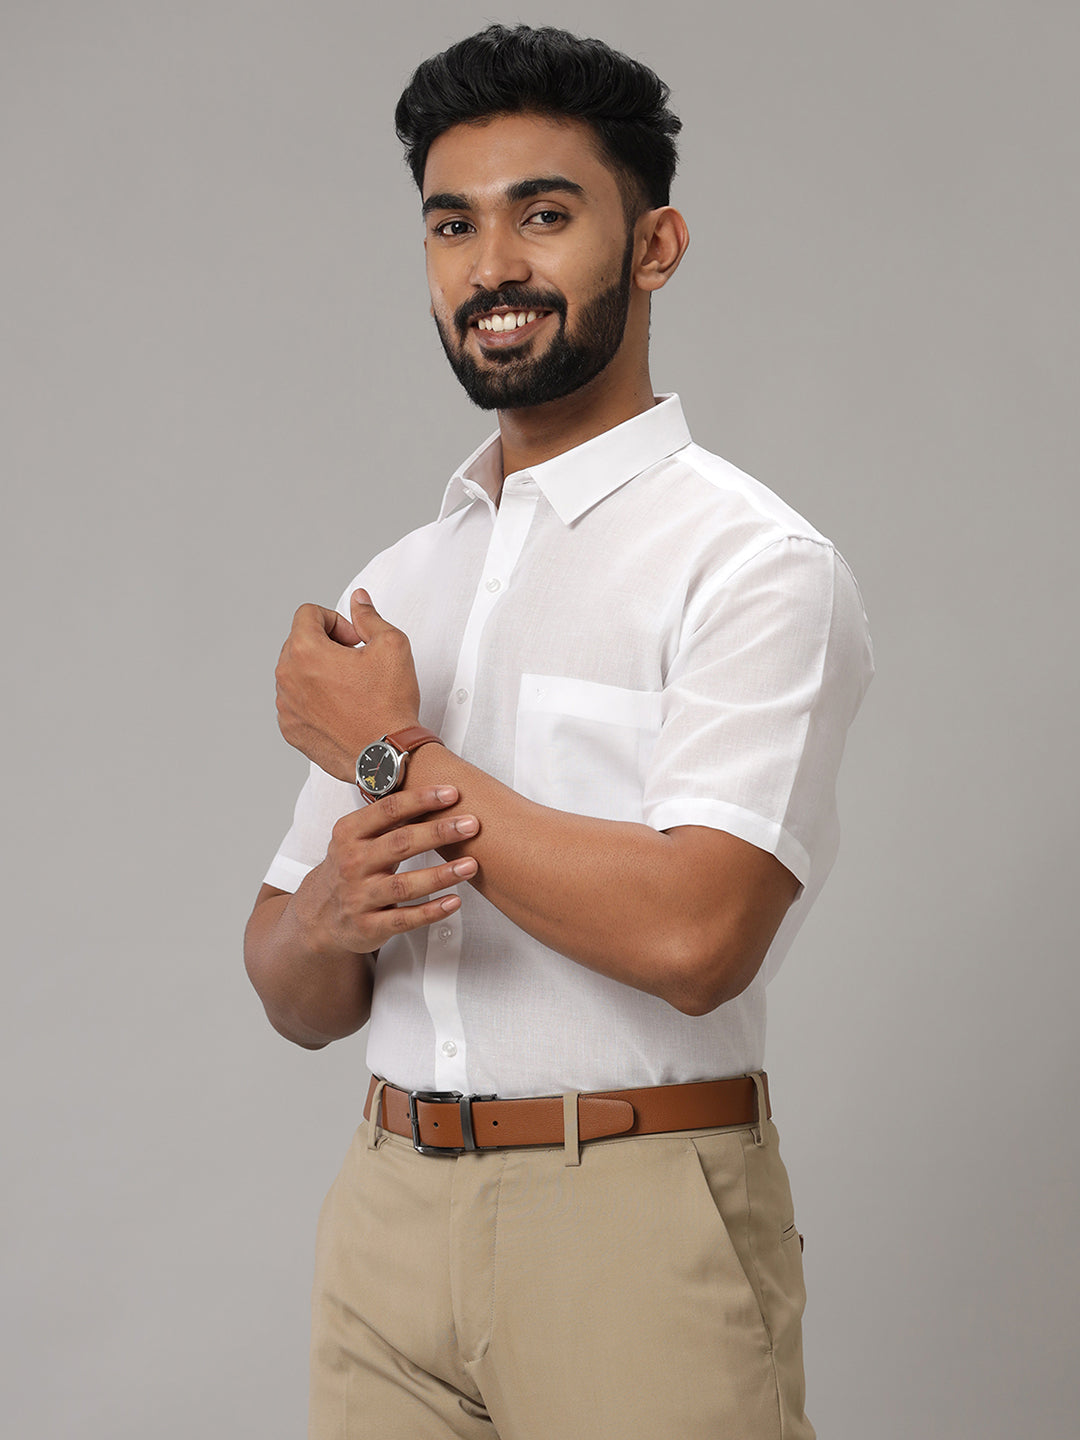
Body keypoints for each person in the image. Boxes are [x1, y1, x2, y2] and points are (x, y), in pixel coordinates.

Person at [245, 23, 873, 1440]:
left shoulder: (752, 565)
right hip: (386, 1217)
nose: (490, 267)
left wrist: (395, 756)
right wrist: (331, 914)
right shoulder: (400, 583)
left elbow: (698, 939)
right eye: (451, 224)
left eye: (543, 214)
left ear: (655, 246)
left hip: (632, 1219)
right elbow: (291, 991)